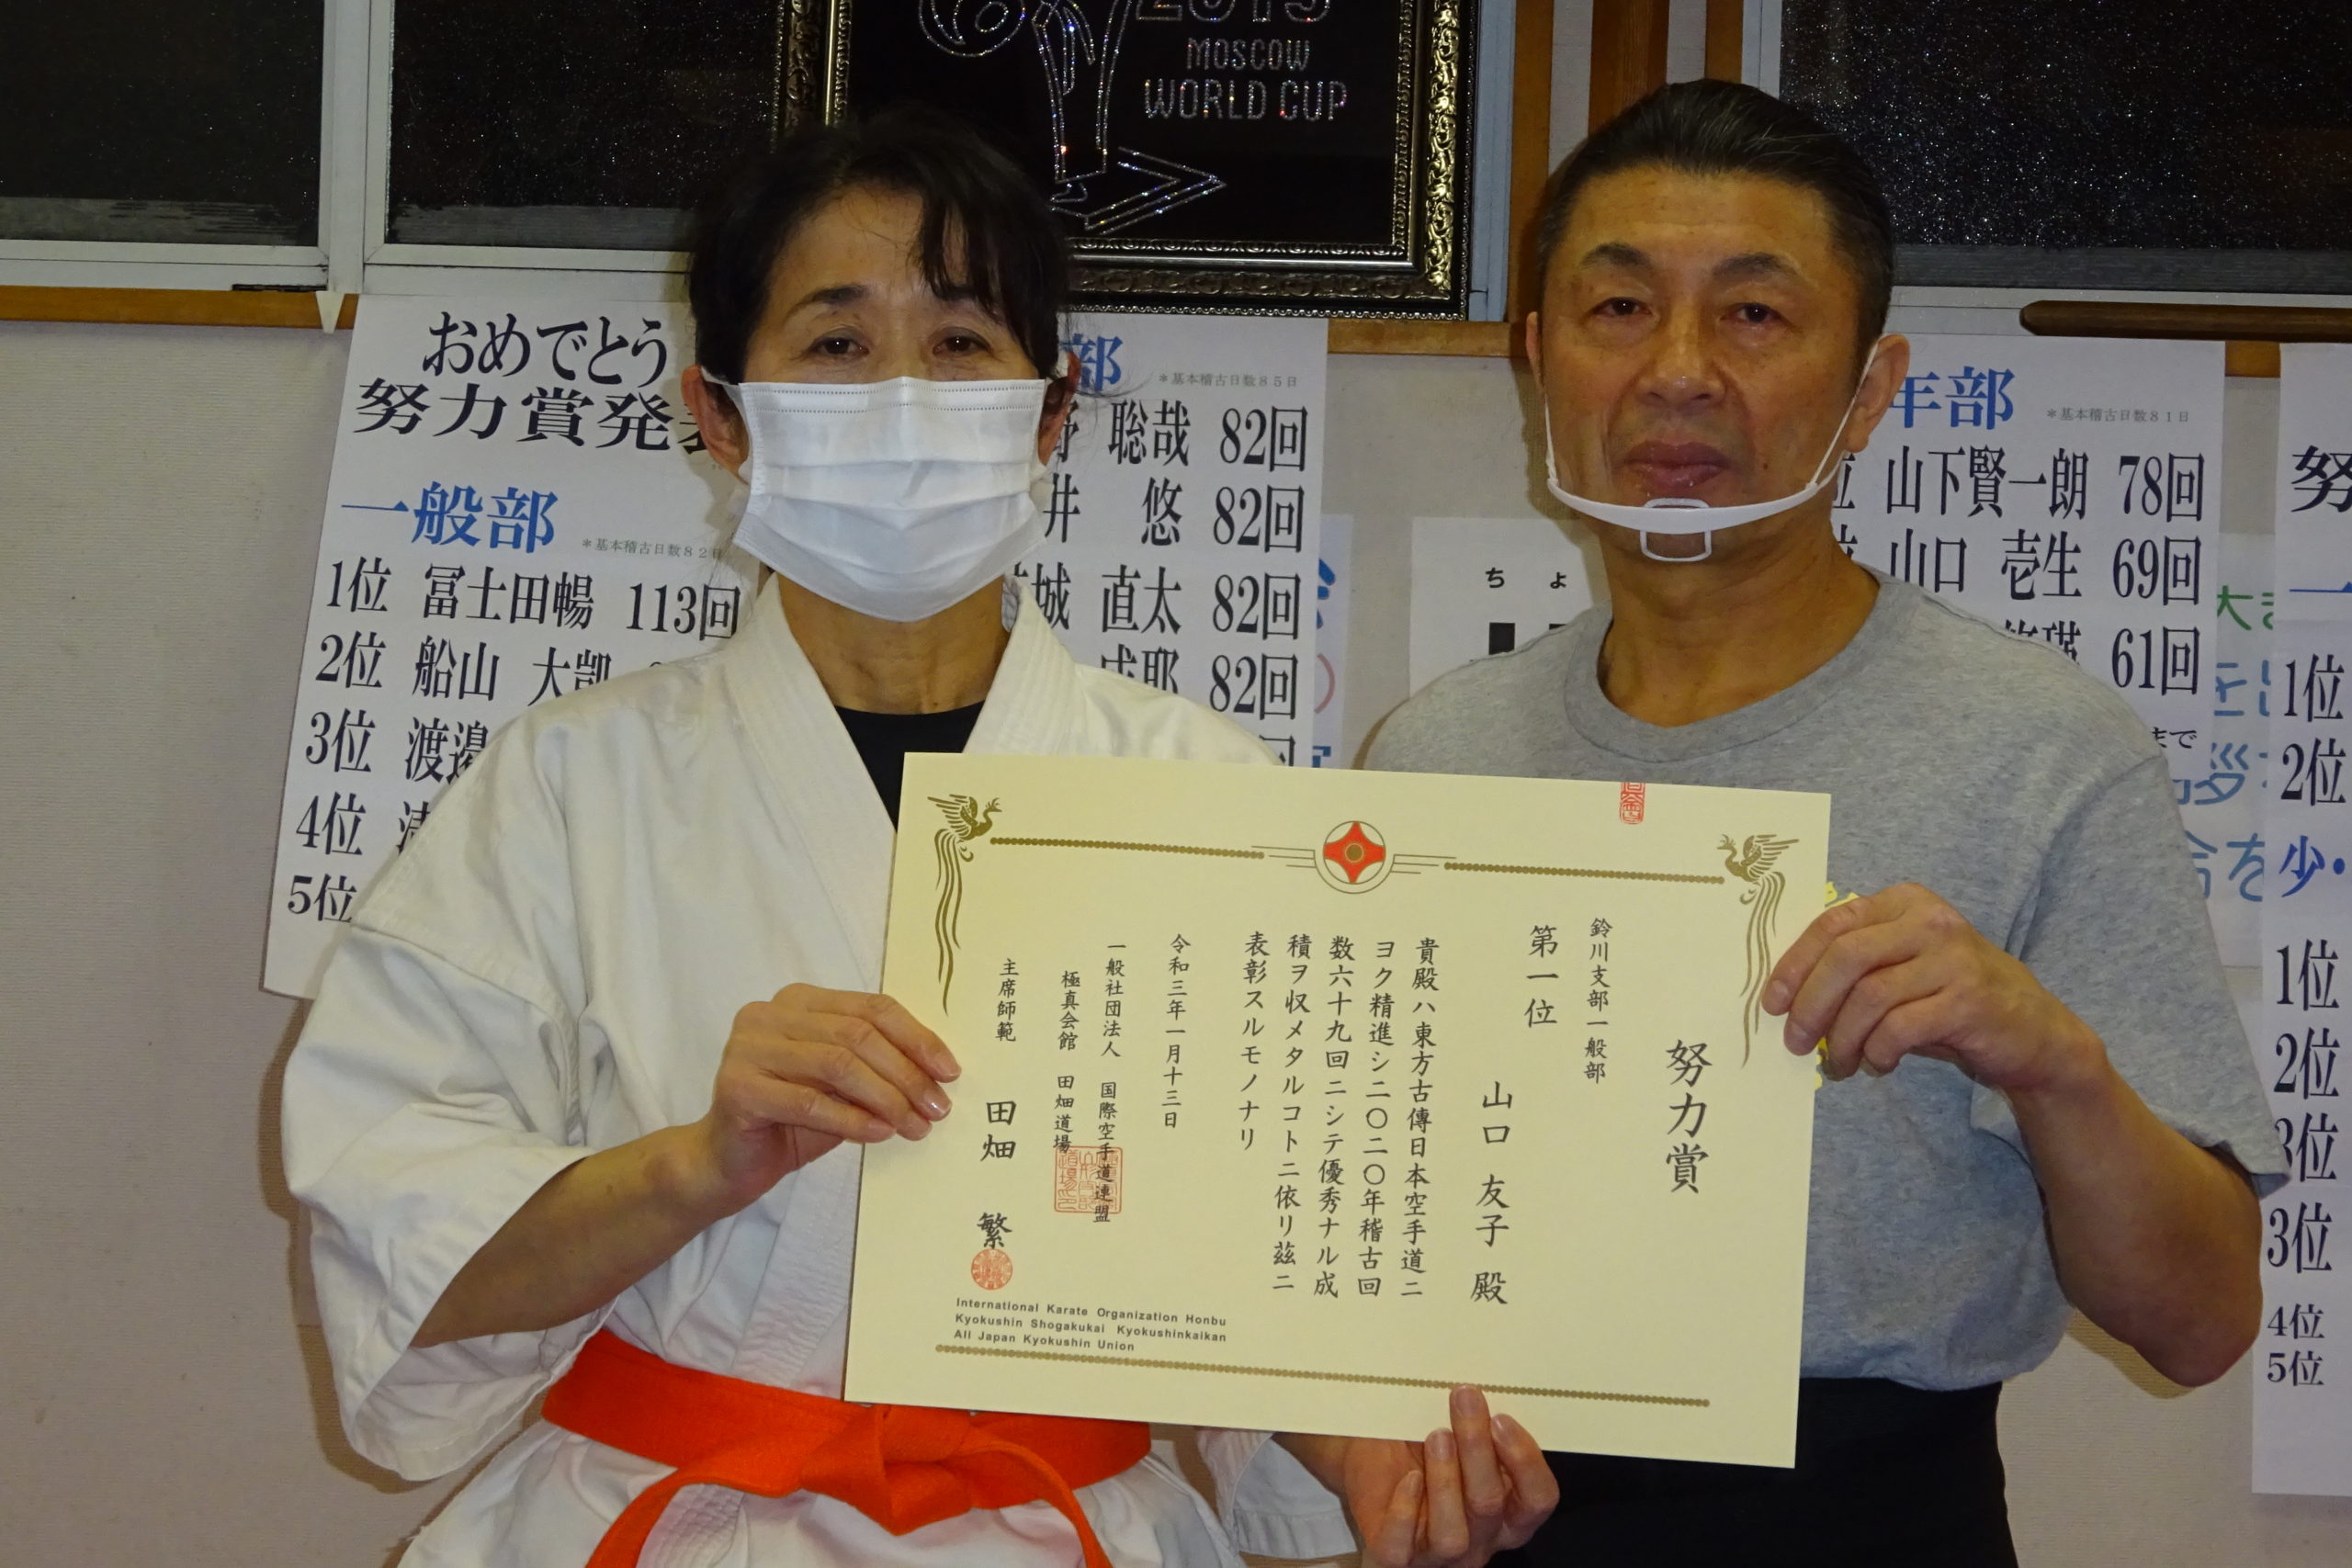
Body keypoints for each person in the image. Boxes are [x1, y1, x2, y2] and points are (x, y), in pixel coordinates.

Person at [282, 109, 1555, 1568]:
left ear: (1052, 410)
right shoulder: (572, 784)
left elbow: (1266, 1262)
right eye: (836, 343)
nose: (901, 394)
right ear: (721, 416)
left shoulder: (1204, 791)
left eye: (959, 343)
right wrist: (701, 1162)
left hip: (1060, 1522)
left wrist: (1372, 1454)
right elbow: (410, 1258)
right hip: (673, 1515)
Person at [1367, 80, 2284, 1567]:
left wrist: (2048, 1060)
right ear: (1537, 360)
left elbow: (2201, 1321)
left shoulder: (2043, 749)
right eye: (1618, 308)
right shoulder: (1436, 758)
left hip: (1875, 1518)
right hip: (1510, 1517)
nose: (1677, 372)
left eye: (1753, 314)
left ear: (1870, 388)